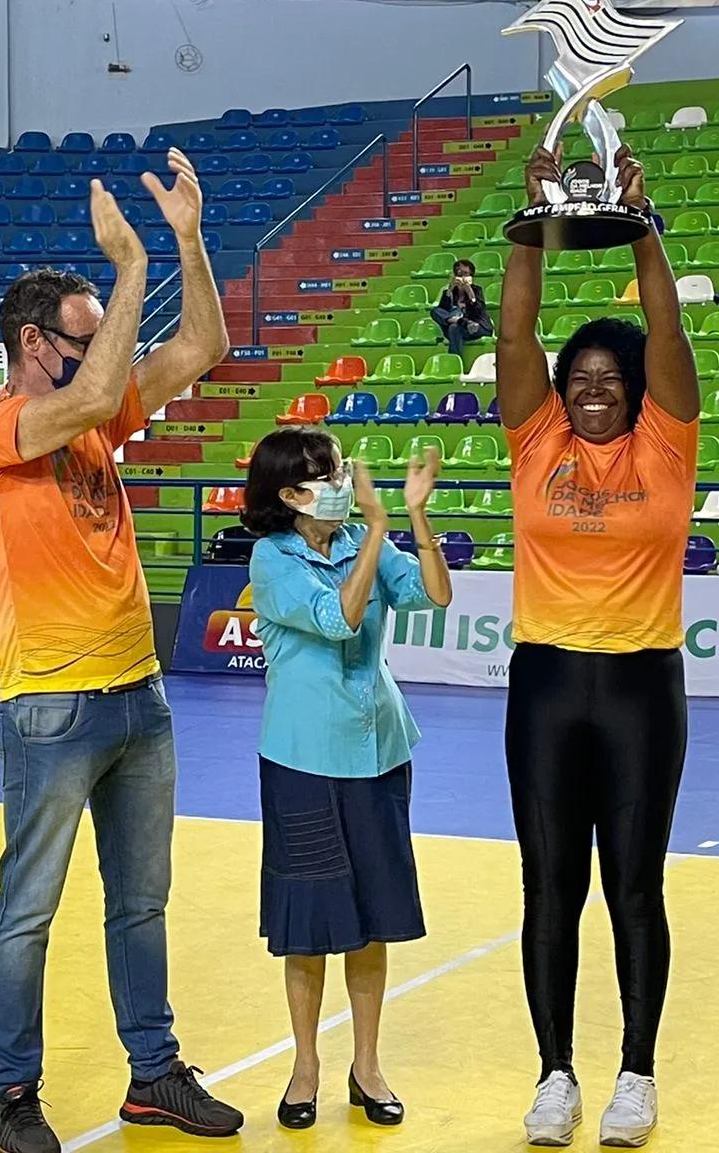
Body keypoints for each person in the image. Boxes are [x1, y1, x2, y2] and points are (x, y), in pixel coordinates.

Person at [0, 151, 243, 1153]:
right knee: (28, 909)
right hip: (51, 704)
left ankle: (153, 1075)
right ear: (32, 343)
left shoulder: (89, 407)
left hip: (137, 698)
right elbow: (84, 400)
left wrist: (187, 242)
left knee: (142, 903)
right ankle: (13, 1092)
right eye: (80, 342)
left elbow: (205, 343)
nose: (98, 360)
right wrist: (127, 275)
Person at [495, 139, 699, 1149]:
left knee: (632, 886)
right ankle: (554, 1074)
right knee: (549, 890)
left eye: (605, 374)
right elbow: (516, 331)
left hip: (638, 692)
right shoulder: (536, 439)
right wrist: (531, 226)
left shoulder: (666, 438)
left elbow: (664, 330)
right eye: (575, 376)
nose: (588, 387)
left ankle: (635, 1073)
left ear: (632, 385)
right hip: (543, 685)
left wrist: (644, 225)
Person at [242, 429, 451, 1132]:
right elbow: (340, 619)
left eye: (337, 468)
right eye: (325, 473)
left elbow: (435, 594)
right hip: (303, 760)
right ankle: (307, 1066)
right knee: (307, 927)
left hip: (379, 754)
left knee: (371, 920)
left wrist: (415, 516)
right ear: (291, 495)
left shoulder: (369, 539)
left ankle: (368, 1066)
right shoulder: (273, 559)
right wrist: (378, 533)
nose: (341, 479)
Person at [430, 258, 493, 358]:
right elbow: (442, 311)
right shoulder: (450, 292)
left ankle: (453, 360)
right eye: (459, 274)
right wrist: (450, 290)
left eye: (465, 273)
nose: (462, 277)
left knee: (454, 328)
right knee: (435, 311)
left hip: (477, 326)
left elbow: (478, 311)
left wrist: (469, 292)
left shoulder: (477, 290)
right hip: (460, 326)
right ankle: (461, 321)